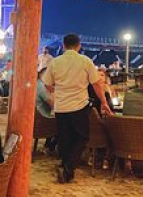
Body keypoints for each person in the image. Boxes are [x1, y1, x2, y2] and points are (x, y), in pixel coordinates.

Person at [42, 34, 113, 184]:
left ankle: (66, 167)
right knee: (81, 137)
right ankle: (68, 168)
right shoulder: (85, 61)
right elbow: (96, 84)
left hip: (61, 106)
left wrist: (58, 91)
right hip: (78, 105)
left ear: (63, 45)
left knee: (64, 138)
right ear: (79, 46)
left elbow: (47, 84)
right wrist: (104, 102)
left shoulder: (55, 62)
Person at [35, 68, 56, 153]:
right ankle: (50, 147)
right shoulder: (41, 86)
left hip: (36, 117)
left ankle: (48, 146)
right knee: (63, 122)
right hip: (42, 118)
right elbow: (53, 105)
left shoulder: (36, 84)